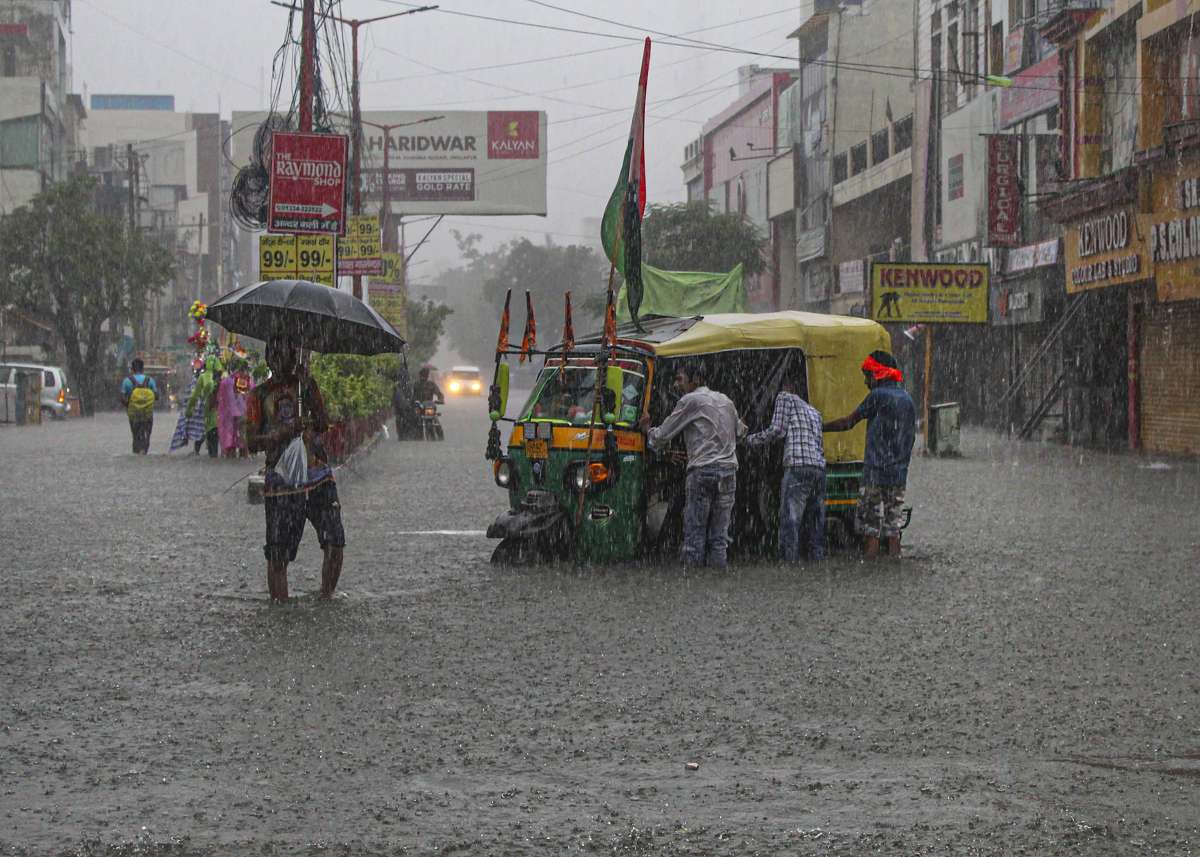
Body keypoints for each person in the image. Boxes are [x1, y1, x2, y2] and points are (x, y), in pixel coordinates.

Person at [245, 338, 345, 602]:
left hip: (318, 475)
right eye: (273, 355)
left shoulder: (305, 385)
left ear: (294, 357)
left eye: (284, 355)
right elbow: (251, 442)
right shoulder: (259, 395)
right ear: (268, 358)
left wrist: (308, 392)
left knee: (334, 541)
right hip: (281, 482)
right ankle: (281, 606)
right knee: (278, 552)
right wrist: (282, 433)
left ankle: (326, 597)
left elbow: (324, 423)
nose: (278, 361)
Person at [638, 362, 746, 568]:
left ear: (695, 379)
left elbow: (661, 436)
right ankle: (718, 588)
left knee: (694, 533)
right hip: (729, 472)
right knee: (719, 537)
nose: (677, 384)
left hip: (703, 471)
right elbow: (741, 433)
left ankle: (694, 584)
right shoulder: (726, 401)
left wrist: (648, 429)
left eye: (680, 379)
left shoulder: (690, 400)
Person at [823, 350, 916, 559]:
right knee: (893, 528)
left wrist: (818, 426)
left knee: (870, 527)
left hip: (874, 473)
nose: (866, 382)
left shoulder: (878, 396)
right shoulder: (907, 399)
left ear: (877, 375)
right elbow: (910, 439)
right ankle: (894, 563)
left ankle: (870, 567)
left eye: (867, 377)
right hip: (899, 474)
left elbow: (848, 422)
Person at [744, 374, 827, 563]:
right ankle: (817, 561)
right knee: (815, 520)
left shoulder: (785, 397)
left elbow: (778, 430)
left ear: (787, 386)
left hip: (797, 466)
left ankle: (789, 563)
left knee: (790, 518)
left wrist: (750, 440)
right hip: (819, 469)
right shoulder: (814, 412)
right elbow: (820, 445)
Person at [120, 358, 158, 455]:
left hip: (134, 414)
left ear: (132, 369)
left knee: (135, 436)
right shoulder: (150, 380)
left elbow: (122, 398)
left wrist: (130, 404)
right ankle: (144, 450)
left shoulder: (127, 381)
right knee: (147, 435)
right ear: (143, 369)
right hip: (147, 413)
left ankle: (136, 452)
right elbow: (156, 396)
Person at [217, 361, 254, 458]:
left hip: (228, 414)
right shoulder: (248, 381)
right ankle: (244, 454)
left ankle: (231, 454)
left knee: (230, 438)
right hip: (243, 413)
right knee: (243, 435)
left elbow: (221, 399)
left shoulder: (226, 381)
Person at [187, 357, 222, 458]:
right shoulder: (224, 377)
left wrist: (189, 409)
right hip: (222, 416)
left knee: (206, 436)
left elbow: (195, 396)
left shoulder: (203, 377)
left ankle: (201, 452)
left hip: (208, 414)